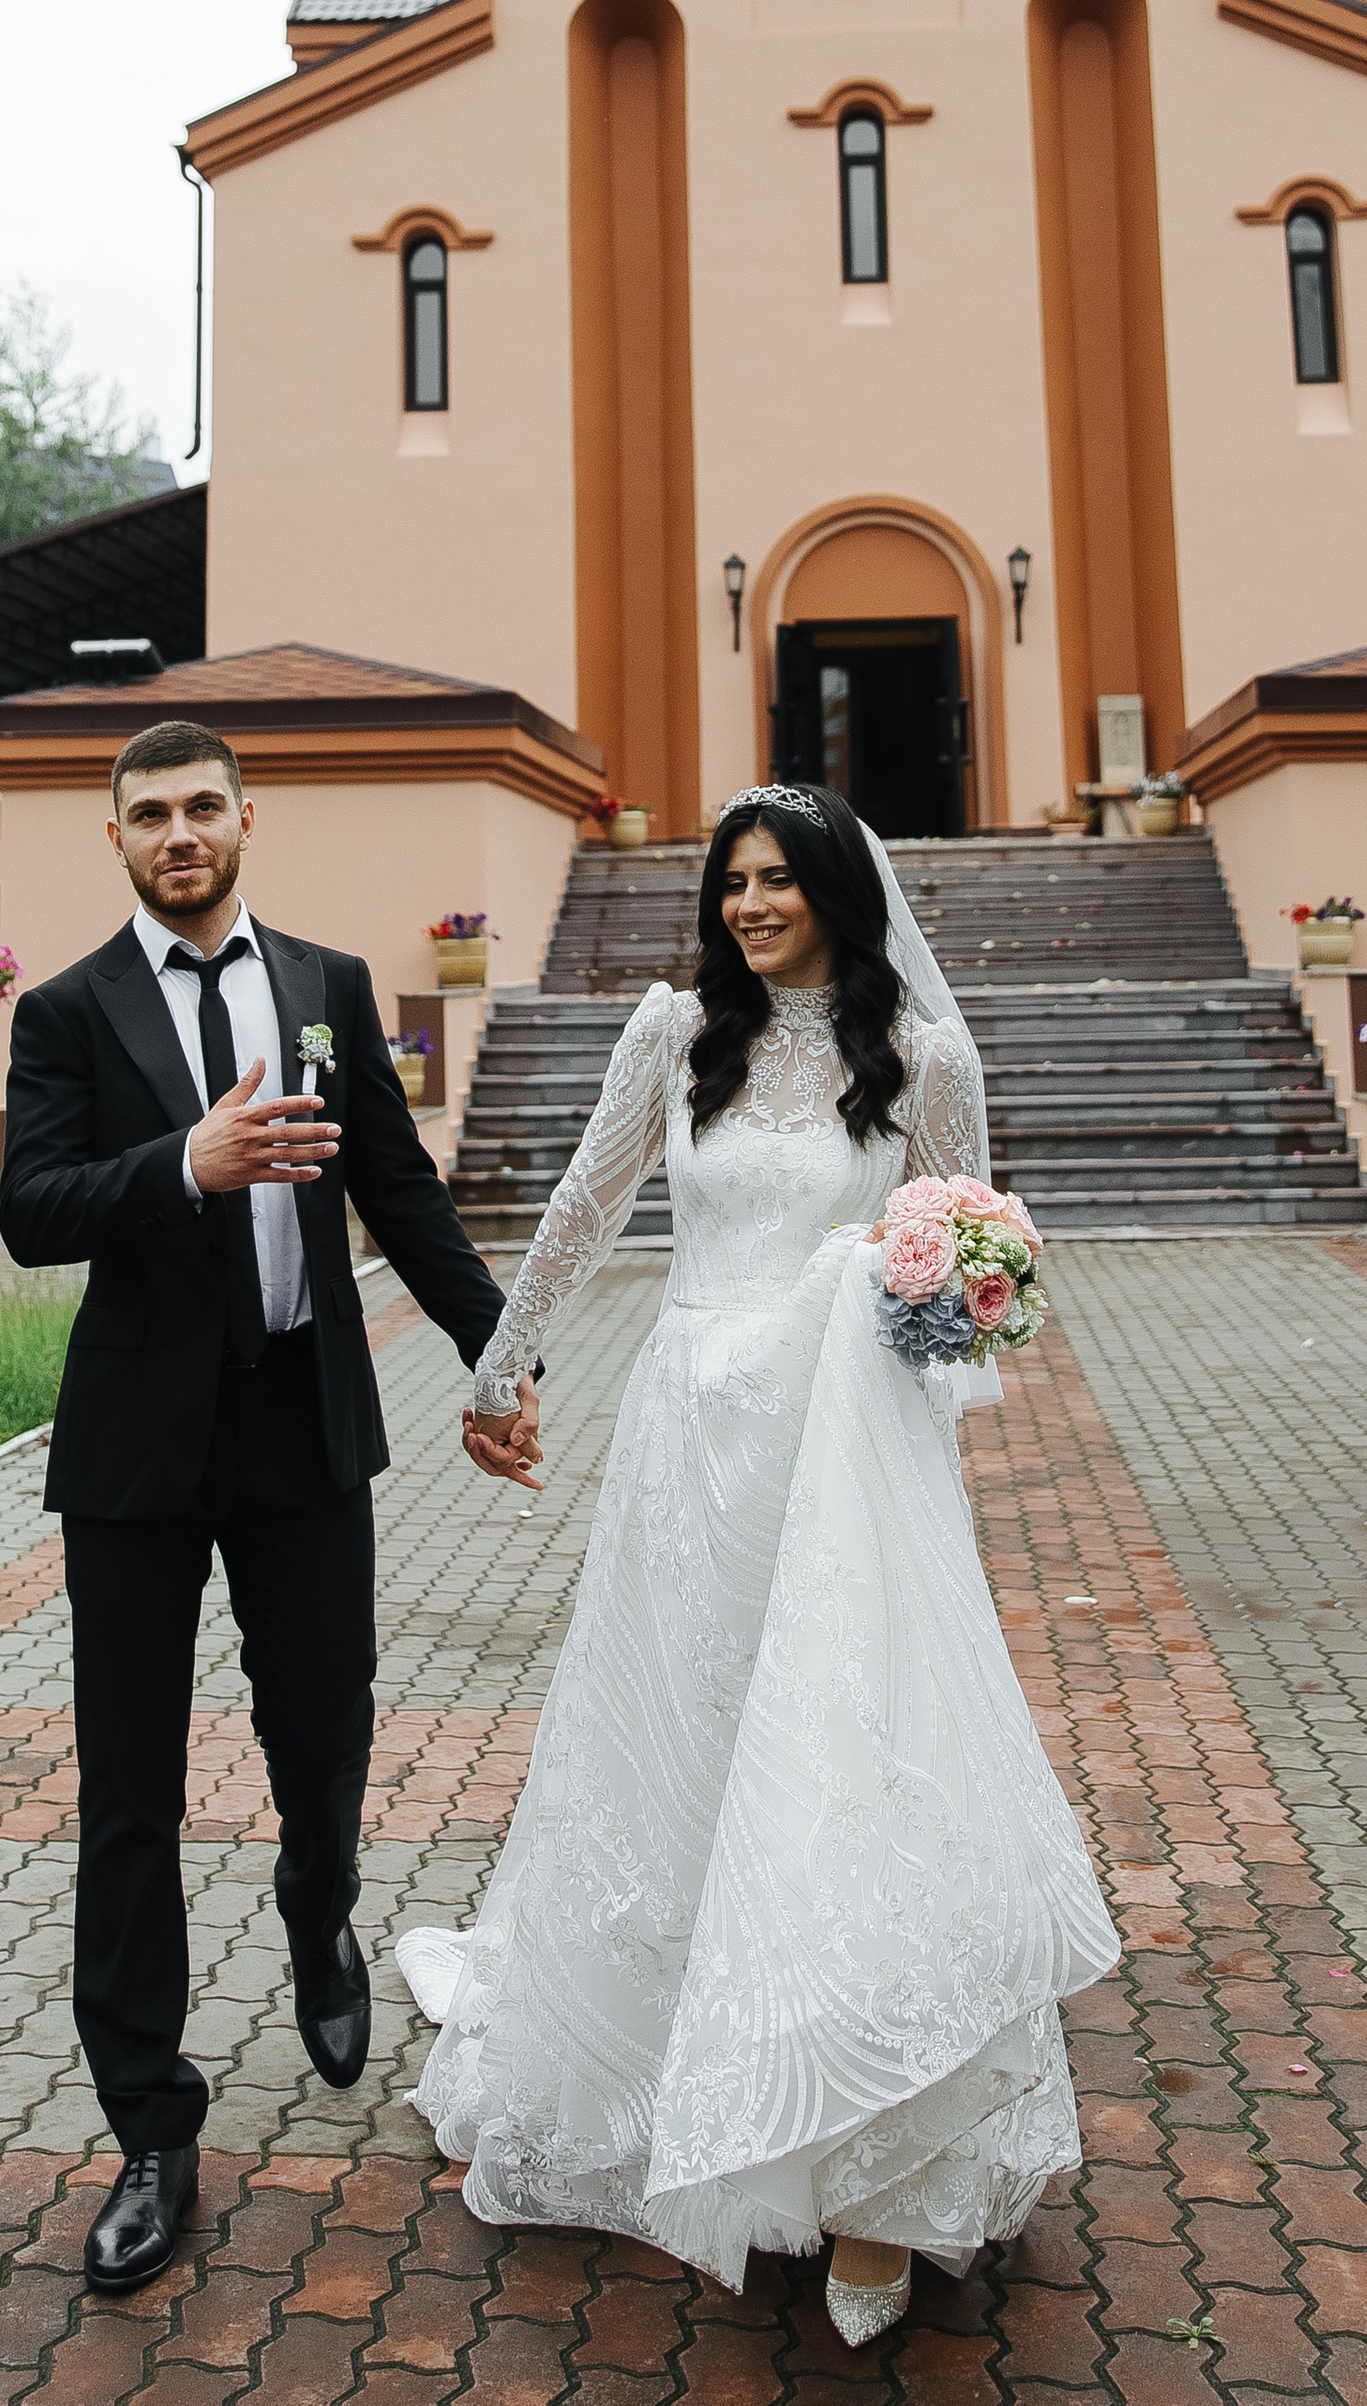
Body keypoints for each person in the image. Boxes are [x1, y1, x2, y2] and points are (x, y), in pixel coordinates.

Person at [396, 784, 1116, 2344]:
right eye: (732, 882)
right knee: (679, 1749)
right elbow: (586, 1210)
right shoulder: (674, 1036)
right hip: (685, 1449)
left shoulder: (926, 1059)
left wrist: (912, 1375)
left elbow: (972, 1271)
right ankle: (665, 2079)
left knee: (834, 1762)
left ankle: (863, 2159)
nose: (749, 905)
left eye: (779, 880)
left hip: (833, 1462)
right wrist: (498, 1371)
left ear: (841, 892)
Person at [0, 716, 506, 2295]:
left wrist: (503, 1351)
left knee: (328, 1727)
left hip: (302, 1424)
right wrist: (187, 1165)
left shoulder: (330, 988)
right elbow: (31, 1211)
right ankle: (153, 2127)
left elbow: (399, 1187)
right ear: (118, 839)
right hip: (138, 1457)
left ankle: (320, 1902)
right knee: (131, 1794)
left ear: (245, 817)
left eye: (201, 805)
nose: (178, 832)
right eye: (147, 812)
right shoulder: (67, 1012)